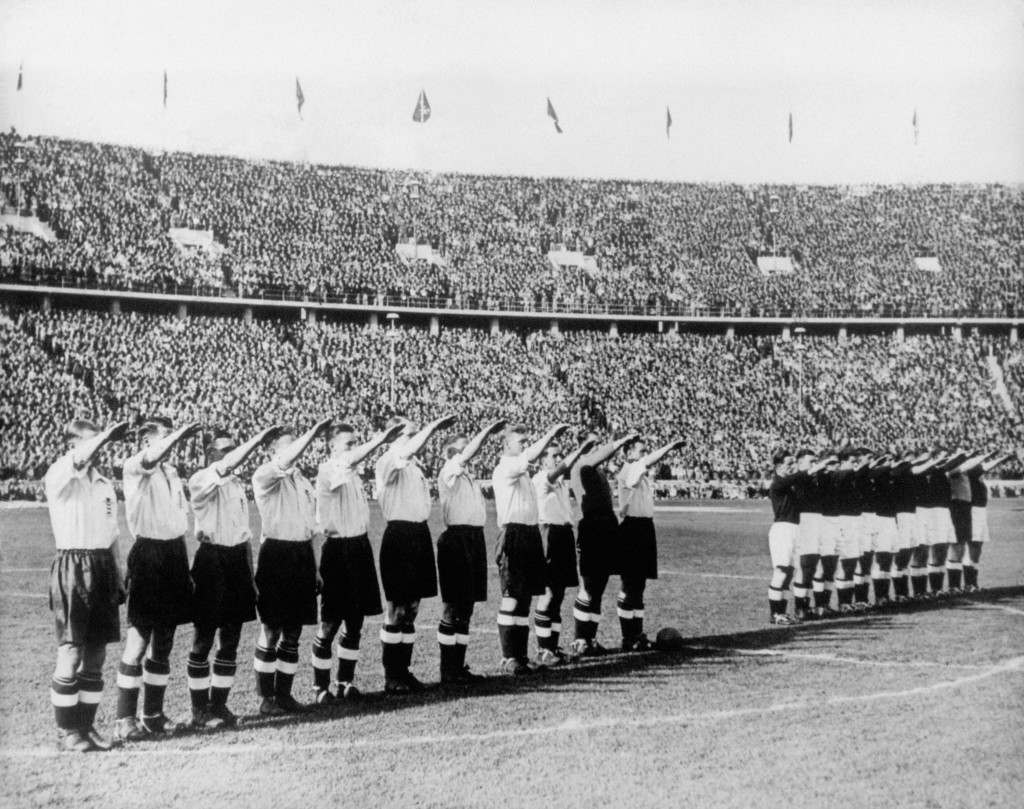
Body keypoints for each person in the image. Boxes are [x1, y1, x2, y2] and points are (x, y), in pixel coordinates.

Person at [186, 425, 281, 729]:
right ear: (210, 453)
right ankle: (199, 711)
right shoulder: (201, 480)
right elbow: (225, 467)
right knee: (203, 638)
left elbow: (245, 534)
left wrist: (250, 576)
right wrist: (256, 440)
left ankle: (219, 704)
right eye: (224, 450)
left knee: (231, 639)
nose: (231, 456)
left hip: (237, 561)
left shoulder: (237, 485)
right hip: (211, 560)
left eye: (232, 449)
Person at [44, 419, 129, 752]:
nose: (101, 448)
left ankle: (87, 726)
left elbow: (112, 536)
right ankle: (68, 732)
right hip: (72, 566)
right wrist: (107, 435)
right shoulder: (60, 473)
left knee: (96, 652)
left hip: (102, 565)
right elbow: (81, 458)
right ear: (73, 445)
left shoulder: (105, 483)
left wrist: (118, 575)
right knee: (71, 649)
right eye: (93, 442)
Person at [116, 417, 201, 741]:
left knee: (164, 641)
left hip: (174, 556)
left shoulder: (172, 473)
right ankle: (124, 719)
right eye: (164, 437)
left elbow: (179, 521)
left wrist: (186, 566)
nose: (171, 443)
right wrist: (179, 435)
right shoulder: (135, 466)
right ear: (147, 440)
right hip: (148, 555)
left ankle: (152, 714)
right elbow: (152, 456)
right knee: (138, 640)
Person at [312, 421, 404, 703]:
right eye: (348, 443)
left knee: (355, 621)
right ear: (332, 447)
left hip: (359, 547)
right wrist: (379, 440)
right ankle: (320, 687)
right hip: (337, 550)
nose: (353, 448)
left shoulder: (352, 474)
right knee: (329, 623)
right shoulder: (329, 470)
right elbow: (350, 460)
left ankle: (345, 682)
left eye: (355, 442)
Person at [251, 419, 331, 715]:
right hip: (276, 554)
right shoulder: (265, 475)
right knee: (271, 629)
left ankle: (284, 694)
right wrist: (313, 433)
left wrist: (316, 568)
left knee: (294, 631)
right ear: (272, 451)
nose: (298, 449)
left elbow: (311, 529)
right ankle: (265, 697)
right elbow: (286, 461)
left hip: (301, 556)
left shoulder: (304, 482)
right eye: (289, 444)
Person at [375, 414, 457, 694]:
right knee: (396, 609)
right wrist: (433, 427)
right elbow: (404, 453)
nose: (415, 439)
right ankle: (391, 675)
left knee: (411, 609)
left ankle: (404, 671)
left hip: (419, 535)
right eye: (410, 434)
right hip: (399, 536)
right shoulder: (387, 461)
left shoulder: (414, 467)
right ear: (395, 437)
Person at [491, 423, 571, 674]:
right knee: (512, 598)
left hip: (530, 533)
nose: (524, 446)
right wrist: (549, 436)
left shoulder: (522, 472)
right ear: (506, 446)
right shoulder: (506, 467)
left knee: (525, 599)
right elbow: (529, 457)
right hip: (514, 534)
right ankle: (508, 657)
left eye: (526, 441)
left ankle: (521, 656)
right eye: (520, 442)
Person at [436, 419, 507, 684]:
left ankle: (458, 666)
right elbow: (466, 455)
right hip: (457, 539)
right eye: (460, 449)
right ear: (449, 452)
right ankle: (447, 670)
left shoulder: (466, 475)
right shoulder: (449, 469)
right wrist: (487, 431)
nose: (466, 453)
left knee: (466, 607)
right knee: (452, 605)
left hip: (474, 539)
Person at [570, 431, 638, 655]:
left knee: (599, 586)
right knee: (589, 586)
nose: (598, 448)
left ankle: (590, 639)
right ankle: (580, 639)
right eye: (593, 444)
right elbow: (594, 458)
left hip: (606, 526)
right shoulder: (580, 465)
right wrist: (619, 442)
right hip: (591, 528)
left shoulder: (596, 468)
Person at [615, 437, 685, 649]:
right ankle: (629, 637)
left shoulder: (640, 473)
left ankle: (637, 634)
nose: (644, 454)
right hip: (632, 529)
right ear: (628, 453)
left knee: (639, 585)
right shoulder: (629, 469)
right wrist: (670, 446)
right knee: (630, 584)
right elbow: (647, 462)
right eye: (640, 450)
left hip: (644, 528)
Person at [532, 438, 594, 665]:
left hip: (564, 534)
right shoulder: (541, 479)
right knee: (547, 594)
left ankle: (552, 647)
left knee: (558, 595)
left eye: (559, 455)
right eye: (553, 455)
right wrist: (579, 451)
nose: (558, 459)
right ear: (542, 460)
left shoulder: (560, 482)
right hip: (549, 534)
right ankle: (543, 650)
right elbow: (560, 470)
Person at [964, 451, 1013, 591]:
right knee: (973, 544)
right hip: (972, 511)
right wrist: (998, 456)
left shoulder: (976, 474)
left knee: (978, 545)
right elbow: (987, 466)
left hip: (980, 511)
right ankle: (969, 583)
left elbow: (987, 466)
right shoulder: (970, 470)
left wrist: (1002, 457)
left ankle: (973, 582)